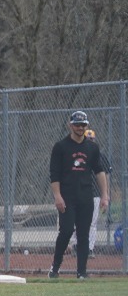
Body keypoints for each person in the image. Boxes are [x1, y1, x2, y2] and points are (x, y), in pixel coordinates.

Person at [49, 111, 110, 279]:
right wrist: (57, 196)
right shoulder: (61, 147)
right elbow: (54, 174)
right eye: (77, 125)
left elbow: (99, 171)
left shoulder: (92, 148)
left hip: (86, 197)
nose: (80, 128)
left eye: (83, 125)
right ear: (70, 125)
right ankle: (55, 267)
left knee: (83, 235)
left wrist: (105, 195)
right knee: (67, 231)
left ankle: (81, 273)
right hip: (67, 197)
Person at [84, 129, 112, 254]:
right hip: (79, 192)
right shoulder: (78, 155)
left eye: (91, 139)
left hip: (95, 194)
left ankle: (89, 248)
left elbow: (106, 176)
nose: (90, 142)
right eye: (87, 139)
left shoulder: (101, 156)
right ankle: (76, 245)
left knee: (92, 222)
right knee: (76, 222)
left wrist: (106, 194)